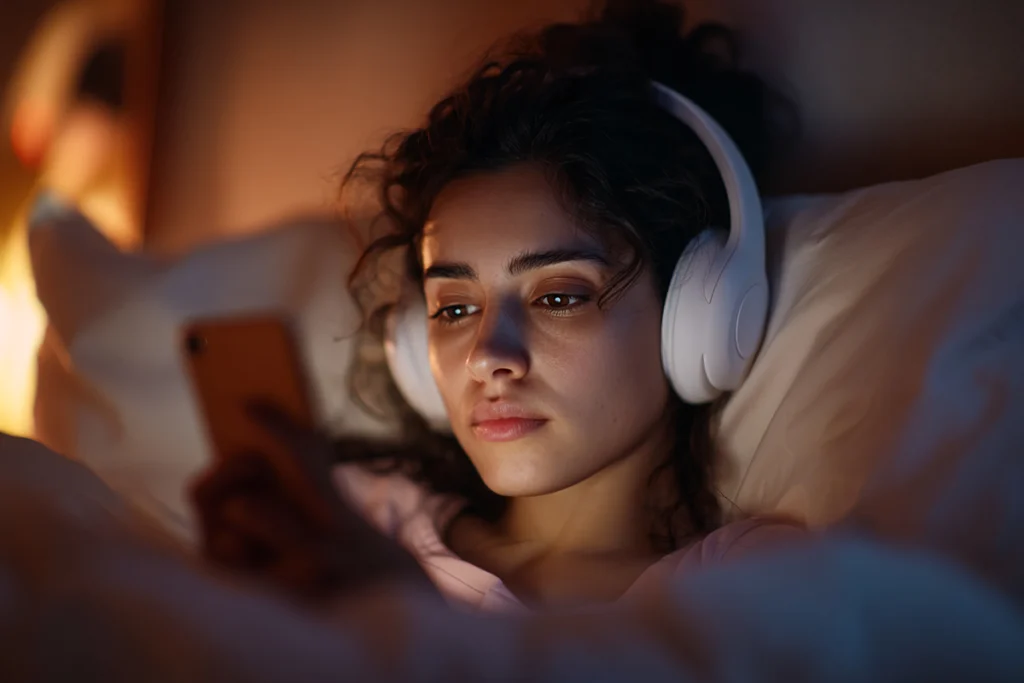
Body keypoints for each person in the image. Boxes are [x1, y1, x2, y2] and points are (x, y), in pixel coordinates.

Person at [191, 0, 803, 611]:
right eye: (454, 309)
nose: (488, 357)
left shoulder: (750, 586)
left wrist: (400, 613)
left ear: (696, 317)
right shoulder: (347, 520)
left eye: (559, 296)